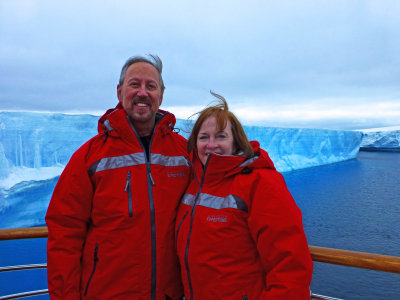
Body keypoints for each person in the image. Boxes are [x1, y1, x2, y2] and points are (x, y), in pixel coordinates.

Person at [45, 55, 190, 300]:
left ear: (161, 95)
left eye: (151, 86)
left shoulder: (183, 153)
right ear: (119, 91)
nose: (142, 92)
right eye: (135, 84)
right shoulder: (90, 157)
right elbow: (64, 233)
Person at [175, 92, 313, 300]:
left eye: (221, 136)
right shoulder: (194, 183)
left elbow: (289, 265)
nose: (211, 144)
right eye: (204, 137)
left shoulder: (260, 182)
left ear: (236, 141)